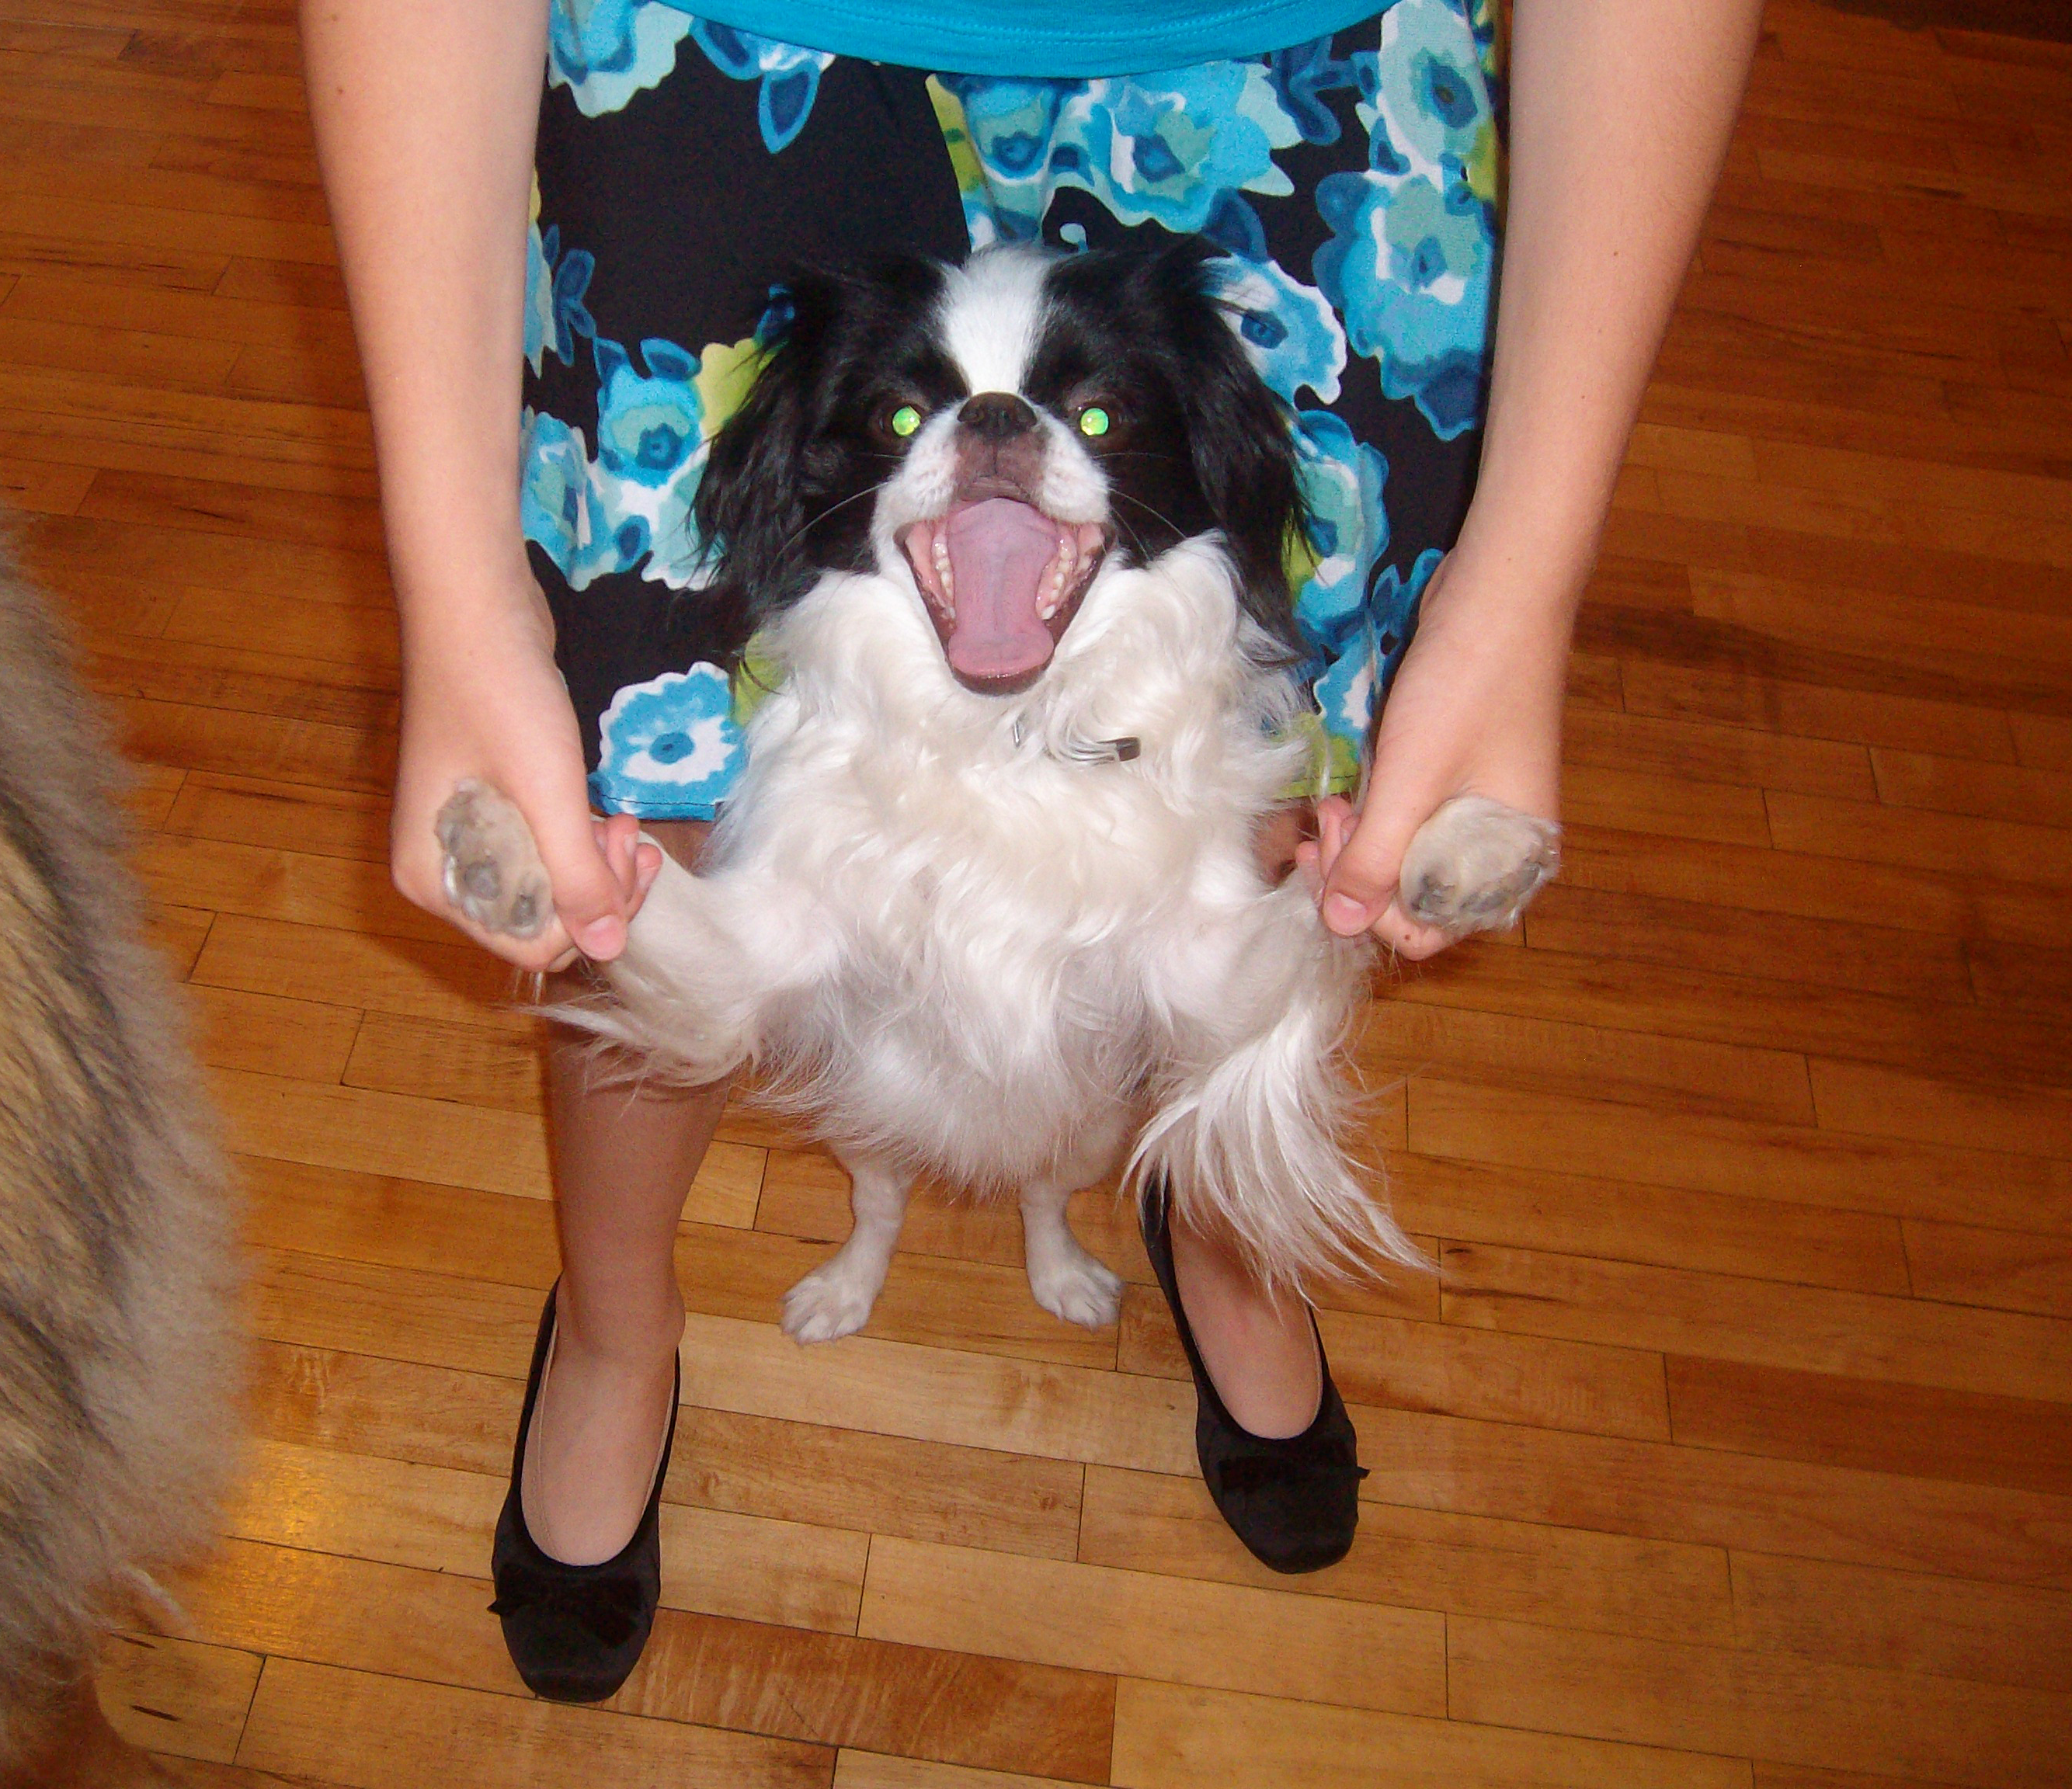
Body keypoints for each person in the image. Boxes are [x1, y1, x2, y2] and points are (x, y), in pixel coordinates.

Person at [301, 0, 1763, 1701]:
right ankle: (619, 1327)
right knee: (636, 795)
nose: (997, 437)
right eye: (933, 421)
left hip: (1294, 45)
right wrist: (458, 604)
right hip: (727, 40)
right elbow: (734, 944)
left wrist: (1527, 599)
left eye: (1069, 422)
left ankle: (1227, 1245)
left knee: (1313, 807)